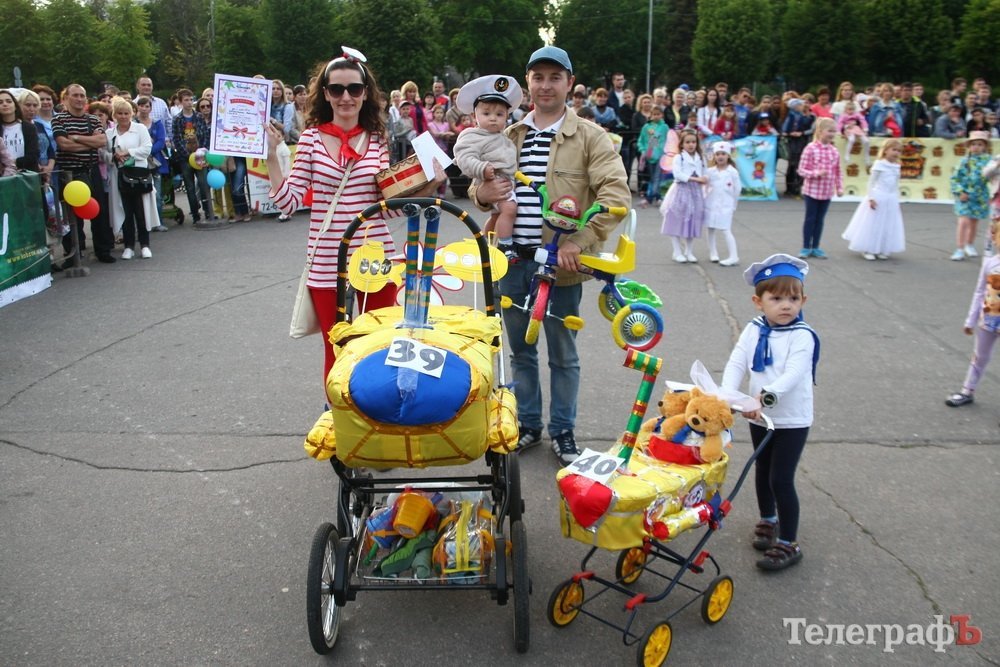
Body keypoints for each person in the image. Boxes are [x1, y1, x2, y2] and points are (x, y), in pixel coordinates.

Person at [468, 45, 630, 465]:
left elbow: (616, 196)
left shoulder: (589, 136)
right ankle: (527, 426)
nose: (545, 85)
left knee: (563, 354)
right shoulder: (507, 134)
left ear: (569, 83)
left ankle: (563, 431)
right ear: (528, 84)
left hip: (561, 267)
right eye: (538, 78)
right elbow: (479, 185)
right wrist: (482, 194)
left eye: (554, 77)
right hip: (513, 261)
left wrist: (582, 240)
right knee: (520, 351)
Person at [263, 47, 444, 387]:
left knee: (381, 344)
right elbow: (287, 203)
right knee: (338, 349)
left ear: (365, 94)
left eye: (354, 89)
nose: (346, 97)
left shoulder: (376, 138)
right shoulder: (311, 140)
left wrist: (428, 182)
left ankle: (375, 420)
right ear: (326, 95)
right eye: (337, 89)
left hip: (378, 259)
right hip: (328, 264)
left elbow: (384, 207)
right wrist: (273, 156)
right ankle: (338, 424)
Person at [722, 253, 819, 571]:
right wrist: (727, 394)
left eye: (793, 298)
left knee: (781, 478)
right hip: (759, 415)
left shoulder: (802, 335)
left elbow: (792, 374)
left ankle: (790, 542)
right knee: (762, 469)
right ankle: (768, 519)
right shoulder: (753, 330)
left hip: (791, 419)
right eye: (776, 298)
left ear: (803, 299)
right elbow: (738, 360)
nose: (786, 305)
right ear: (758, 301)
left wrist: (765, 397)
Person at [452, 75, 522, 260]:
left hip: (505, 181)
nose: (493, 119)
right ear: (475, 115)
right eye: (486, 113)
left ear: (507, 116)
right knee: (509, 210)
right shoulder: (472, 135)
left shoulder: (506, 137)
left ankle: (485, 242)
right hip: (494, 180)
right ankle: (505, 246)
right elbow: (463, 158)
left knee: (497, 216)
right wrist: (481, 168)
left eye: (499, 114)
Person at [52, 83, 116, 265]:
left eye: (83, 95)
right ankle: (74, 254)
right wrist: (89, 142)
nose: (80, 99)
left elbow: (102, 141)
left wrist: (76, 137)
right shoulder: (59, 120)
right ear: (66, 98)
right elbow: (64, 145)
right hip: (70, 172)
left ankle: (103, 250)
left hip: (92, 169)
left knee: (99, 211)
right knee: (72, 216)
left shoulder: (93, 120)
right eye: (76, 95)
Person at [944, 219, 1000, 408]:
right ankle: (967, 390)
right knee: (979, 356)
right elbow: (979, 291)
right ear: (994, 238)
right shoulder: (990, 263)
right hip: (989, 319)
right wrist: (971, 320)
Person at [107, 96, 158, 260]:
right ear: (115, 115)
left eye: (126, 113)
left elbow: (146, 149)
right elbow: (103, 154)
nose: (123, 116)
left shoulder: (140, 128)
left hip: (138, 175)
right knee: (126, 210)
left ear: (131, 113)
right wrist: (114, 156)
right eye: (120, 113)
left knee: (141, 210)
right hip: (119, 176)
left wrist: (128, 153)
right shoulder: (110, 133)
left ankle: (145, 244)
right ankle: (128, 245)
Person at [841, 139, 905, 260]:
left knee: (887, 224)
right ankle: (868, 249)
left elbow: (896, 184)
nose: (896, 153)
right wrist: (871, 197)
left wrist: (897, 199)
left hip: (890, 198)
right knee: (874, 224)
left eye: (899, 151)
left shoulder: (897, 166)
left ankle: (882, 248)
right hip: (878, 196)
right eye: (893, 150)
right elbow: (871, 182)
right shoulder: (879, 164)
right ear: (885, 150)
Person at [796, 117, 842, 259]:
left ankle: (816, 246)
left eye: (834, 131)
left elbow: (838, 171)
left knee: (820, 219)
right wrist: (816, 173)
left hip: (826, 191)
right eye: (829, 131)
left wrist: (839, 187)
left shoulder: (834, 151)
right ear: (820, 131)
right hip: (812, 191)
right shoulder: (810, 149)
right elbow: (801, 170)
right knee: (810, 218)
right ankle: (805, 246)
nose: (832, 134)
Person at [660, 128, 706, 263]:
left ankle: (689, 251)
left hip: (695, 193)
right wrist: (697, 179)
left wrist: (705, 178)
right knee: (675, 219)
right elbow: (678, 174)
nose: (691, 145)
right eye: (688, 142)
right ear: (682, 144)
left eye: (693, 142)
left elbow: (705, 172)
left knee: (692, 221)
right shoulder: (678, 158)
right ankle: (677, 251)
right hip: (681, 191)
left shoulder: (700, 158)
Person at [171, 88, 213, 224]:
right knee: (189, 186)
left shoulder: (199, 116)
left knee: (203, 183)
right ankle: (195, 213)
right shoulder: (177, 119)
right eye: (186, 100)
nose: (189, 103)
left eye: (190, 99)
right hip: (185, 158)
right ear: (181, 102)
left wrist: (201, 151)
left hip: (200, 155)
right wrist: (188, 155)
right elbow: (177, 139)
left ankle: (208, 211)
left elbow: (205, 136)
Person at [949, 131, 993, 261]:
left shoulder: (989, 161)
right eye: (973, 144)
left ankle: (970, 243)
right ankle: (959, 248)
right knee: (963, 221)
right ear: (969, 145)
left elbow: (993, 175)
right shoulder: (964, 161)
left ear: (985, 146)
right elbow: (955, 178)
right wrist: (960, 191)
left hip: (980, 195)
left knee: (974, 222)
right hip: (965, 195)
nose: (976, 147)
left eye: (980, 144)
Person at [135, 95, 169, 231]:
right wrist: (142, 152)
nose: (144, 108)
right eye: (141, 105)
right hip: (138, 162)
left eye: (147, 106)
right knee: (140, 194)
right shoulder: (134, 123)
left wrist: (148, 151)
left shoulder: (157, 123)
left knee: (157, 194)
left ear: (151, 108)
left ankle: (157, 222)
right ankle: (142, 224)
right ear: (137, 107)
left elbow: (161, 141)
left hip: (155, 162)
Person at [703, 140, 740, 266]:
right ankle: (713, 253)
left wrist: (733, 204)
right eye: (717, 154)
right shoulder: (710, 171)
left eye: (723, 154)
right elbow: (705, 186)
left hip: (726, 205)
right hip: (711, 203)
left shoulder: (732, 172)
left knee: (726, 229)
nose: (720, 157)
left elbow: (737, 189)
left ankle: (734, 256)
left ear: (728, 156)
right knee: (710, 228)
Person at [1, 89, 40, 172]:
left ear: (15, 105)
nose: (5, 104)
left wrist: (12, 162)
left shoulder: (29, 128)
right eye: (0, 102)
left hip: (26, 175)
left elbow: (33, 155)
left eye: (8, 101)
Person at [637, 105, 668, 208]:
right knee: (652, 178)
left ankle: (650, 198)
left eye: (658, 114)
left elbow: (668, 140)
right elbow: (641, 141)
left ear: (662, 115)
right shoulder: (646, 127)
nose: (656, 116)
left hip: (661, 156)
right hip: (649, 156)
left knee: (657, 177)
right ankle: (657, 197)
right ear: (651, 115)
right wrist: (643, 151)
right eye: (654, 114)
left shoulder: (664, 127)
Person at [782, 98, 813, 197]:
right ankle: (792, 187)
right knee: (794, 164)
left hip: (801, 140)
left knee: (798, 163)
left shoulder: (806, 116)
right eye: (800, 105)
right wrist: (789, 133)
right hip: (794, 140)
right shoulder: (793, 115)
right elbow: (785, 128)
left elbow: (809, 128)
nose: (802, 106)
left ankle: (797, 187)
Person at [836, 100, 871, 165]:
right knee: (851, 139)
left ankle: (867, 157)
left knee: (866, 141)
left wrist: (865, 129)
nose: (851, 111)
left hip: (856, 129)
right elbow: (840, 123)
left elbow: (862, 120)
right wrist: (839, 131)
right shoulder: (843, 115)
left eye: (852, 109)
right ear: (845, 109)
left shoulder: (857, 114)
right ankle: (847, 155)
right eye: (849, 109)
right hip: (848, 129)